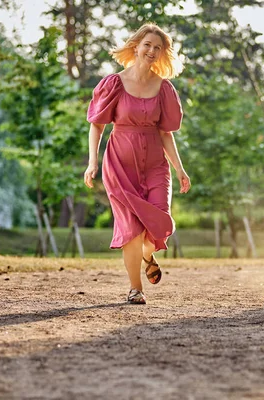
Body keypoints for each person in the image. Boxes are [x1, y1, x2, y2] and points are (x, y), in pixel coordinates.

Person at [84, 23, 191, 305]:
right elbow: (97, 126)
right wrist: (92, 162)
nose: (152, 51)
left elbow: (165, 133)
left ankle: (147, 253)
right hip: (120, 164)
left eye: (158, 47)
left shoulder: (164, 88)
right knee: (131, 227)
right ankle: (135, 289)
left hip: (156, 164)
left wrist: (180, 169)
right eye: (148, 45)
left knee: (161, 219)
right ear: (136, 46)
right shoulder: (114, 83)